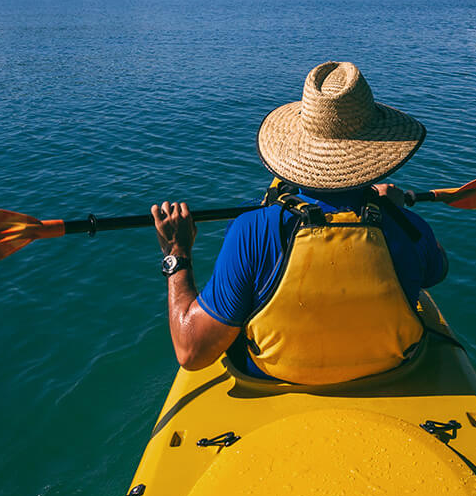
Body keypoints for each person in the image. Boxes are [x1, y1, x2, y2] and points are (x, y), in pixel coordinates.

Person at [151, 61, 448, 384]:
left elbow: (191, 352)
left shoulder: (251, 230)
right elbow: (437, 269)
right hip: (391, 374)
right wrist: (394, 211)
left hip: (271, 383)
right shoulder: (409, 227)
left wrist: (177, 254)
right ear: (375, 148)